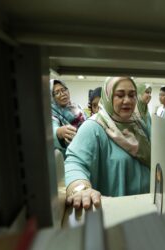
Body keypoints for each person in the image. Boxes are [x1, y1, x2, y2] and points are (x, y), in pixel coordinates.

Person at [64, 77, 151, 209]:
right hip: (116, 210)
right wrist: (81, 189)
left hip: (146, 206)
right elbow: (74, 162)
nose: (127, 100)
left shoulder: (139, 124)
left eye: (132, 95)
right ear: (108, 96)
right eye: (120, 95)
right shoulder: (94, 127)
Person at [51, 79, 86, 156]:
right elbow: (51, 129)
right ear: (52, 97)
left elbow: (87, 122)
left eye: (63, 90)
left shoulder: (78, 108)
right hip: (67, 155)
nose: (62, 94)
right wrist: (59, 132)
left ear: (68, 91)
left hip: (85, 149)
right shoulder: (52, 113)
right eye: (57, 93)